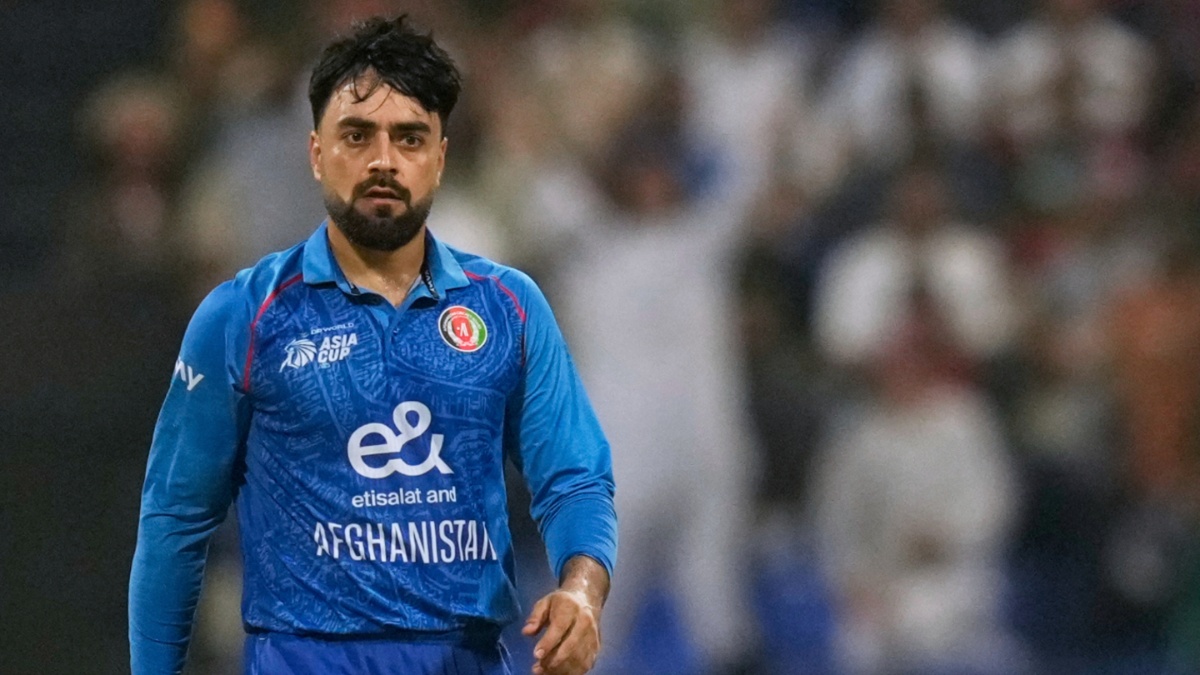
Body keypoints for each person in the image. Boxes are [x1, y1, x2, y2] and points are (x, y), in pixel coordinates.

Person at [128, 15, 617, 675]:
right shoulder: (243, 316)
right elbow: (175, 518)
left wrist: (583, 590)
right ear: (316, 153)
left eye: (409, 138)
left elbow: (576, 477)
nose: (383, 160)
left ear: (440, 157)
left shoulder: (508, 307)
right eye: (357, 135)